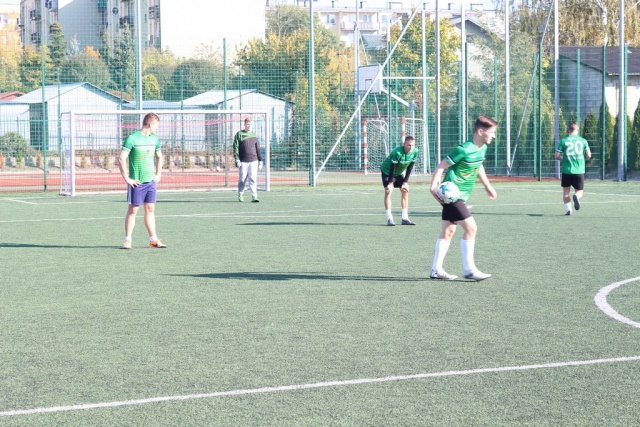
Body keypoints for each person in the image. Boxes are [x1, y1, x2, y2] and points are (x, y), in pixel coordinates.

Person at [429, 115, 499, 281]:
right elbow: (442, 165)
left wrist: (487, 186)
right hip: (451, 194)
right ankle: (469, 269)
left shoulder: (482, 148)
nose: (494, 136)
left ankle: (436, 270)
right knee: (471, 228)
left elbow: (478, 165)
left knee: (448, 231)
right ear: (480, 132)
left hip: (463, 195)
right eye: (491, 132)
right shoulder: (463, 149)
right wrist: (433, 187)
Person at [117, 112, 166, 249]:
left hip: (151, 182)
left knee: (150, 209)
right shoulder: (132, 138)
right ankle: (127, 240)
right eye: (156, 125)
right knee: (133, 211)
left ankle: (153, 240)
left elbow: (160, 157)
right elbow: (121, 158)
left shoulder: (154, 139)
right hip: (137, 183)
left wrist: (158, 174)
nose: (157, 128)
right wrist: (127, 178)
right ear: (150, 124)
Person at [380, 135, 419, 226]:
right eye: (409, 145)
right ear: (404, 144)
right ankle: (389, 218)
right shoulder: (397, 152)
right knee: (388, 191)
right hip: (387, 172)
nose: (411, 147)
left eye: (412, 145)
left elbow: (410, 167)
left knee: (405, 190)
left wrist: (405, 182)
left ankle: (405, 218)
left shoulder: (415, 152)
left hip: (398, 173)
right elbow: (392, 168)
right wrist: (390, 183)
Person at [555, 121, 591, 216]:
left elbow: (557, 155)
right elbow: (588, 155)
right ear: (577, 129)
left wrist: (563, 158)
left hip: (566, 170)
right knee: (580, 191)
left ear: (568, 129)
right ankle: (576, 196)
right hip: (579, 170)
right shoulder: (583, 141)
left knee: (566, 192)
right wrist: (584, 159)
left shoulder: (563, 141)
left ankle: (569, 211)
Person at [233, 117, 263, 203]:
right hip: (243, 161)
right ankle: (240, 194)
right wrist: (237, 159)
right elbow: (235, 147)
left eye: (250, 124)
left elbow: (258, 149)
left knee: (253, 179)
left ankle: (254, 196)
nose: (249, 126)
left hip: (253, 160)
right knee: (242, 179)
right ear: (244, 124)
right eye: (247, 124)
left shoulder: (254, 135)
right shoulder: (239, 134)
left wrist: (260, 160)